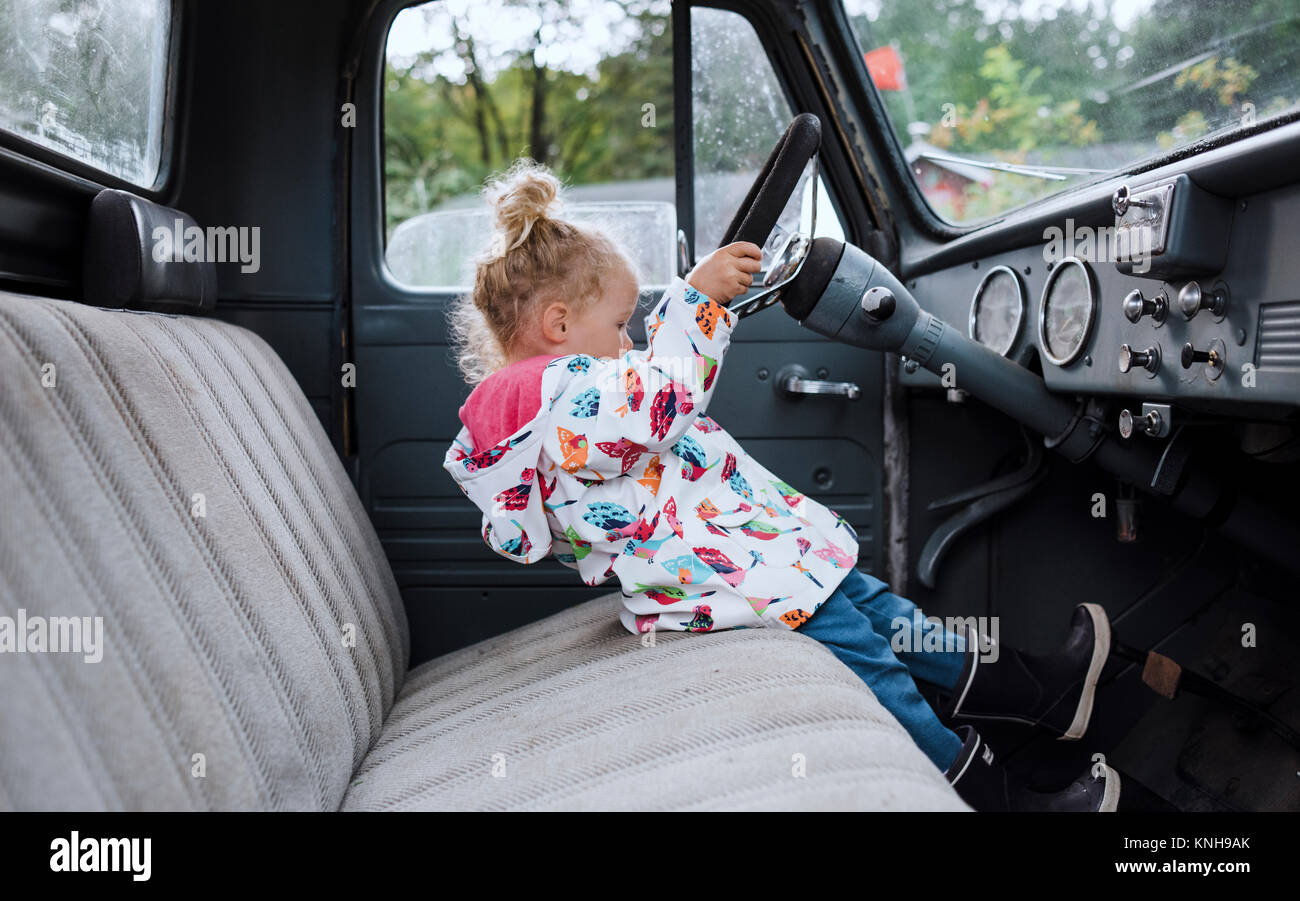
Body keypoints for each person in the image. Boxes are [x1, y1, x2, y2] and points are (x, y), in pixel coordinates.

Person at [443, 157, 1120, 812]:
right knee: (875, 665)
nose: (629, 343)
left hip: (734, 552)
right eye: (621, 325)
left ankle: (1028, 691)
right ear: (558, 324)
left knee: (875, 605)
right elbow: (666, 396)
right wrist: (696, 298)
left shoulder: (560, 394)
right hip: (715, 574)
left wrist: (684, 318)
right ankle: (980, 788)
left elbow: (640, 405)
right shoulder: (556, 396)